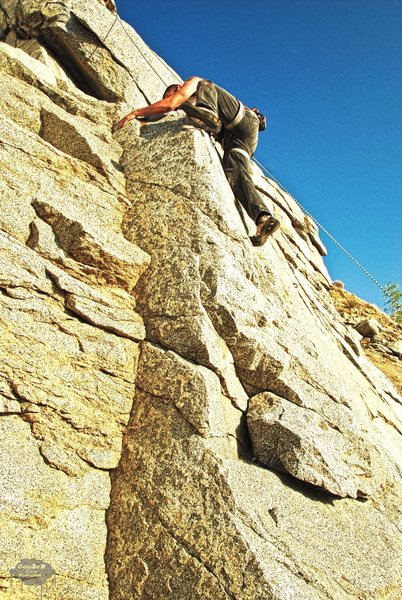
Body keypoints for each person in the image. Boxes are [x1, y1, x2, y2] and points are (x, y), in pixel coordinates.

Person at [115, 77, 280, 245]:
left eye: (173, 94)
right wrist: (147, 119)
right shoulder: (193, 109)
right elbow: (166, 110)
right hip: (239, 140)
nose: (174, 99)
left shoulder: (194, 84)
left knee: (203, 88)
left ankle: (210, 114)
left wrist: (135, 113)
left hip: (241, 118)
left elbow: (170, 104)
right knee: (236, 174)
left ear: (178, 87)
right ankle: (263, 218)